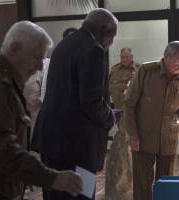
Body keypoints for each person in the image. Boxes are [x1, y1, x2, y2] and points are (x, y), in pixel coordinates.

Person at [0, 21, 83, 200]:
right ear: (15, 47)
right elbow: (1, 148)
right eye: (36, 57)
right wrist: (52, 178)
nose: (40, 67)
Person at [32, 8, 119, 200]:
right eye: (112, 35)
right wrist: (110, 116)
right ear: (103, 30)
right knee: (80, 195)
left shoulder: (64, 45)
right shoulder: (93, 50)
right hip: (77, 144)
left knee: (54, 194)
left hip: (52, 140)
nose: (111, 42)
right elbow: (91, 101)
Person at [123, 41, 179, 200]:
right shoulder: (146, 71)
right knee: (142, 185)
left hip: (169, 139)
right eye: (177, 61)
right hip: (143, 137)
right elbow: (129, 105)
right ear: (167, 57)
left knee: (166, 184)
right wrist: (133, 135)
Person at [106, 48, 139, 200]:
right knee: (121, 146)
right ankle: (122, 179)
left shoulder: (139, 69)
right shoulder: (114, 70)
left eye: (127, 56)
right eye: (122, 56)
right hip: (119, 112)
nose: (125, 59)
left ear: (132, 57)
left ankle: (135, 179)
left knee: (133, 146)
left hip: (135, 114)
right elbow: (107, 88)